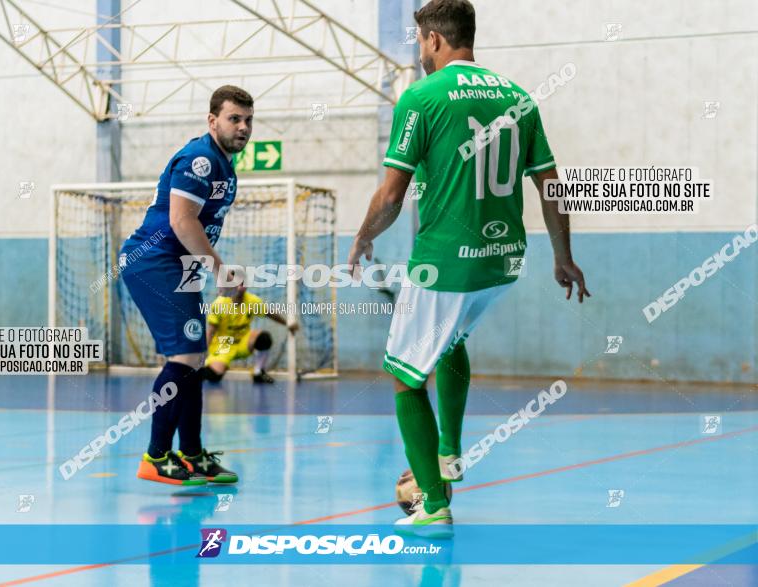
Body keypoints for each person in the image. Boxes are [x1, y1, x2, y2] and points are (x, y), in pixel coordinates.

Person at [347, 0, 590, 532]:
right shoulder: (519, 97)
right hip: (503, 262)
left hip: (445, 265)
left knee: (404, 378)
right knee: (451, 341)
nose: (419, 49)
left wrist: (363, 237)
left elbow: (391, 195)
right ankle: (449, 455)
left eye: (419, 41)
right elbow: (552, 187)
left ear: (434, 39)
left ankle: (433, 501)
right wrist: (563, 256)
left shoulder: (421, 97)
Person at [120, 85, 255, 486]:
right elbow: (181, 221)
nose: (244, 127)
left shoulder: (225, 165)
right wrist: (220, 270)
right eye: (234, 118)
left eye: (249, 120)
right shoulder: (199, 159)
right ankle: (156, 456)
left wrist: (208, 269)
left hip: (182, 263)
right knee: (183, 357)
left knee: (194, 356)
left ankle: (192, 455)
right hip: (154, 260)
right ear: (212, 120)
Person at [200, 279, 299, 384]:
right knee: (213, 376)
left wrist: (287, 324)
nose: (239, 285)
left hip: (243, 342)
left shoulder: (252, 301)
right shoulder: (219, 304)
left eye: (242, 282)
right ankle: (205, 367)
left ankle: (258, 372)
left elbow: (270, 314)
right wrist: (202, 355)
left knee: (264, 338)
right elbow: (210, 332)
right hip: (222, 346)